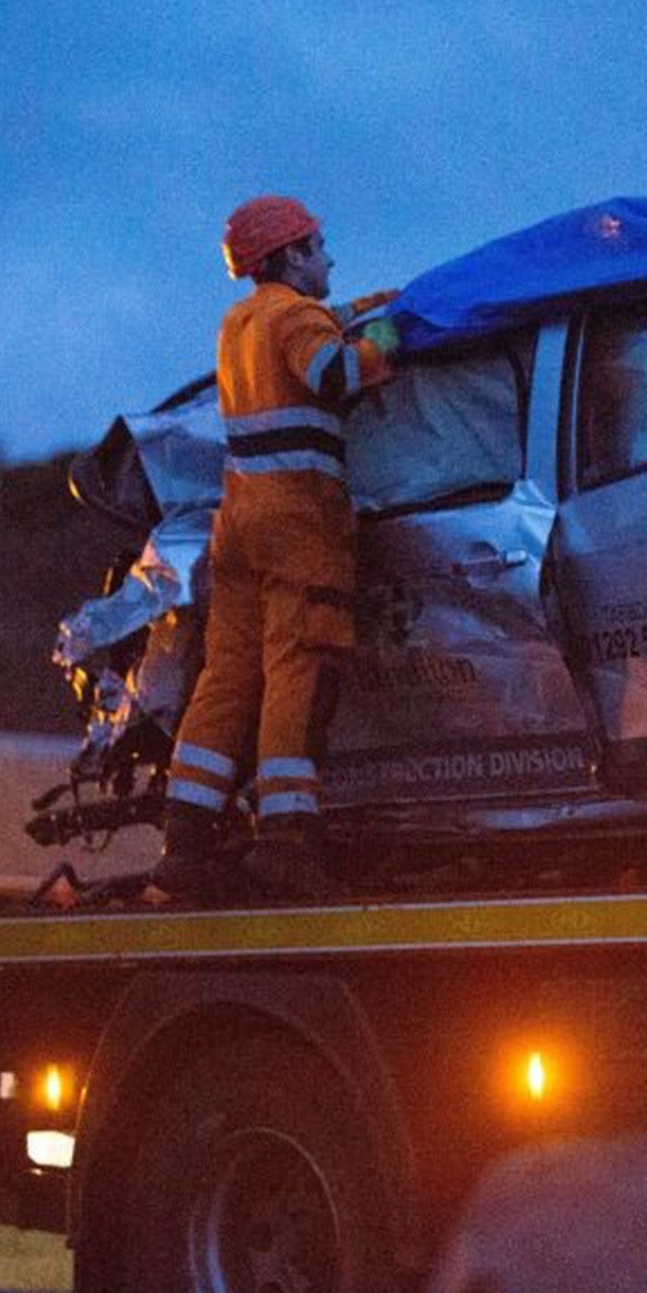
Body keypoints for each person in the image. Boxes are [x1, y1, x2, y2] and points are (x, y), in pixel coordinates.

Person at [150, 195, 400, 901]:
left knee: (228, 673)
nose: (330, 257)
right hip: (299, 523)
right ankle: (288, 842)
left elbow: (318, 335)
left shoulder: (240, 323)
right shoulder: (296, 317)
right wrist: (384, 345)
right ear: (288, 257)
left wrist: (378, 306)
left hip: (241, 522)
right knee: (299, 666)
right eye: (318, 246)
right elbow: (335, 375)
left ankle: (187, 842)